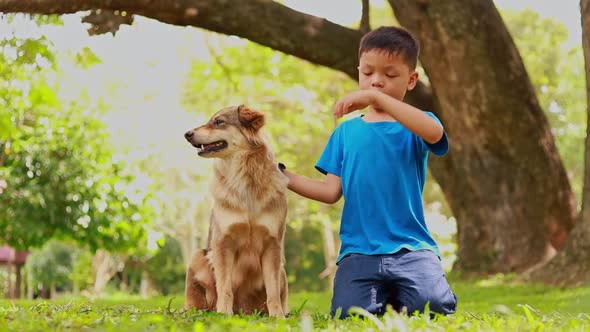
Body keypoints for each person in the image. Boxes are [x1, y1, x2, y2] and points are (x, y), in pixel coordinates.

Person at [280, 26, 457, 318]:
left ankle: (405, 294)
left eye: (389, 75)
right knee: (349, 315)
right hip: (359, 252)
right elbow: (329, 192)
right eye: (368, 73)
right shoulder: (346, 132)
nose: (376, 82)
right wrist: (282, 175)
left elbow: (436, 133)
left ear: (411, 80)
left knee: (434, 306)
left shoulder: (417, 124)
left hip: (412, 249)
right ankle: (388, 297)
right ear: (359, 72)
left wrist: (379, 100)